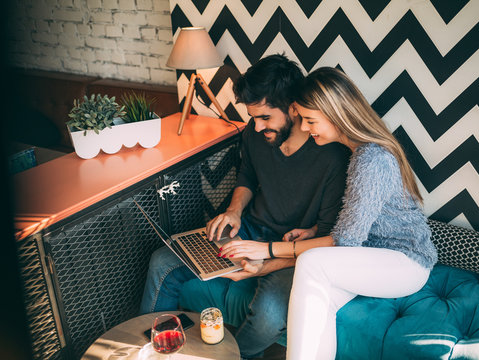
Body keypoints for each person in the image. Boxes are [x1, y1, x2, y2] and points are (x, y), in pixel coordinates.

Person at [219, 67, 438, 359]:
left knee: (312, 263)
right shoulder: (357, 153)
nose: (306, 129)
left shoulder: (371, 159)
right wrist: (311, 233)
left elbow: (345, 242)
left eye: (311, 121)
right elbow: (357, 222)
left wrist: (267, 250)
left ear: (336, 114)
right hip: (365, 256)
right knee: (317, 305)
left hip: (403, 262)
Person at [140, 56, 350, 359]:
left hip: (296, 249)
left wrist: (263, 264)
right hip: (251, 228)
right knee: (163, 261)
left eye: (265, 117)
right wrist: (234, 212)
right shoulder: (255, 133)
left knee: (268, 313)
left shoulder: (332, 156)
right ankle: (152, 350)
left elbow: (327, 242)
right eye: (253, 117)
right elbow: (248, 176)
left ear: (293, 107)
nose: (257, 125)